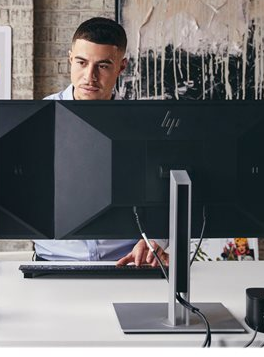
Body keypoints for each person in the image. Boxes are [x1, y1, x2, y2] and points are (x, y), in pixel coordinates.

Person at [33, 17, 168, 267]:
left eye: (103, 66)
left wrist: (157, 239)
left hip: (128, 263)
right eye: (81, 63)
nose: (90, 77)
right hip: (54, 263)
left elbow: (165, 191)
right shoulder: (38, 118)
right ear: (70, 59)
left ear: (122, 66)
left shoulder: (142, 124)